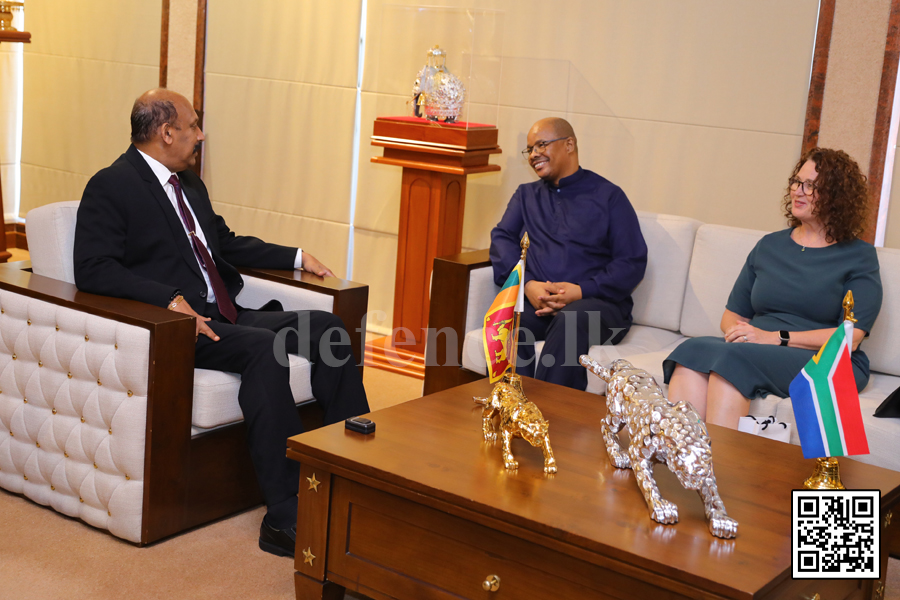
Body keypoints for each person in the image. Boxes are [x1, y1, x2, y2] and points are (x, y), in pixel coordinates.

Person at [73, 88, 369, 558]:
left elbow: (223, 243)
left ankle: (355, 476)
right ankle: (285, 515)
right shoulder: (112, 185)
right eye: (193, 126)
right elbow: (92, 268)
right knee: (262, 350)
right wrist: (167, 300)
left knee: (327, 330)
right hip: (177, 329)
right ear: (167, 132)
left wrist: (295, 256)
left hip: (229, 313)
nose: (200, 134)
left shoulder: (187, 182)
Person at [664, 147, 882, 428]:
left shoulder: (858, 255)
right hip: (756, 347)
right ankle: (683, 461)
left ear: (836, 198)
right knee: (692, 350)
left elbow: (850, 338)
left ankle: (721, 467)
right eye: (796, 181)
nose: (797, 191)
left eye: (810, 186)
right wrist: (744, 334)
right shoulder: (769, 245)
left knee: (734, 359)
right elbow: (731, 317)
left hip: (825, 360)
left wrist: (774, 337)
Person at [490, 118, 647, 391]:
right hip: (540, 301)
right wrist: (526, 284)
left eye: (542, 144)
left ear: (569, 144)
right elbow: (501, 238)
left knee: (570, 321)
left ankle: (552, 417)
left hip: (598, 306)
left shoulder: (609, 196)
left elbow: (631, 261)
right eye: (530, 149)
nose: (534, 154)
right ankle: (513, 406)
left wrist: (580, 291)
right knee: (511, 320)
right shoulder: (527, 196)